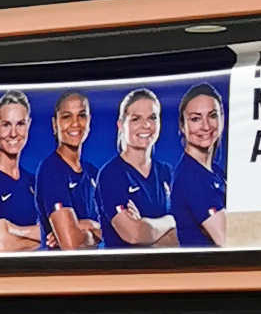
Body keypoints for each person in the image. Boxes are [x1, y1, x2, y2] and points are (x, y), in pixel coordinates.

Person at [96, 85, 179, 247]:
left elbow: (189, 230)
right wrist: (170, 221)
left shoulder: (167, 173)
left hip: (171, 263)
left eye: (152, 118)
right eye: (136, 119)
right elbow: (134, 234)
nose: (146, 125)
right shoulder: (111, 175)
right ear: (121, 125)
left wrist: (147, 226)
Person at [0, 90, 45, 254]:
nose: (13, 133)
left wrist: (17, 230)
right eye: (6, 125)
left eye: (20, 124)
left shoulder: (33, 182)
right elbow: (2, 247)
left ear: (29, 125)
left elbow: (60, 232)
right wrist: (43, 239)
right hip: (5, 271)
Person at [36, 90, 102, 250]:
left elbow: (117, 233)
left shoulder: (93, 173)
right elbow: (71, 244)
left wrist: (88, 225)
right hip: (64, 266)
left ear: (89, 120)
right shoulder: (51, 170)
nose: (75, 123)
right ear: (55, 124)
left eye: (82, 115)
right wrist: (95, 232)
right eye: (67, 117)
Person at [172, 81, 230, 246]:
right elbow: (228, 240)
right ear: (183, 126)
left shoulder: (215, 172)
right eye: (196, 119)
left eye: (212, 116)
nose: (206, 126)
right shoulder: (191, 178)